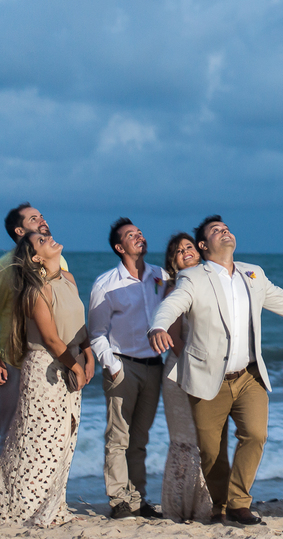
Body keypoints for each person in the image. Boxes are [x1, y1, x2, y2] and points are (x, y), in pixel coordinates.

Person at [148, 216, 283, 526]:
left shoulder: (254, 274)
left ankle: (239, 502)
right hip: (206, 378)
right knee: (212, 453)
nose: (224, 231)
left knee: (256, 434)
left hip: (249, 376)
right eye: (215, 230)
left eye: (226, 228)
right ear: (203, 244)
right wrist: (158, 325)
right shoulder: (193, 278)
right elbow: (174, 303)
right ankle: (219, 505)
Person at [0, 232, 94, 527]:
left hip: (71, 362)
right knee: (36, 441)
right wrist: (77, 367)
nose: (51, 238)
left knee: (63, 440)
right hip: (46, 367)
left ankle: (53, 506)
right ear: (36, 258)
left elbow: (81, 328)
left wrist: (89, 356)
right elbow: (49, 338)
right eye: (43, 241)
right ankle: (18, 512)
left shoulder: (68, 280)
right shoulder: (35, 291)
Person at [88, 218, 169, 520]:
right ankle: (119, 499)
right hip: (123, 366)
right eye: (130, 235)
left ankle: (139, 497)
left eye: (140, 232)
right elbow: (96, 333)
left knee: (141, 438)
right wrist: (111, 365)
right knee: (118, 436)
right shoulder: (106, 284)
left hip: (154, 367)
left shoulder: (161, 277)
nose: (139, 237)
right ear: (119, 247)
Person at [0, 203, 67, 450]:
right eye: (34, 218)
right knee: (12, 432)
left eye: (42, 216)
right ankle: (4, 489)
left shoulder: (60, 262)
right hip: (16, 361)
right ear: (19, 231)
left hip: (54, 358)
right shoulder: (3, 267)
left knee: (49, 433)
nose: (42, 221)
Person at [158, 233, 214, 522]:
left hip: (205, 372)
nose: (185, 252)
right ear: (173, 261)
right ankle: (181, 507)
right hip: (180, 372)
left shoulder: (209, 283)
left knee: (205, 439)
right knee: (186, 440)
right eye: (178, 251)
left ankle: (204, 504)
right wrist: (194, 367)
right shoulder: (176, 289)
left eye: (188, 247)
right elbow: (173, 336)